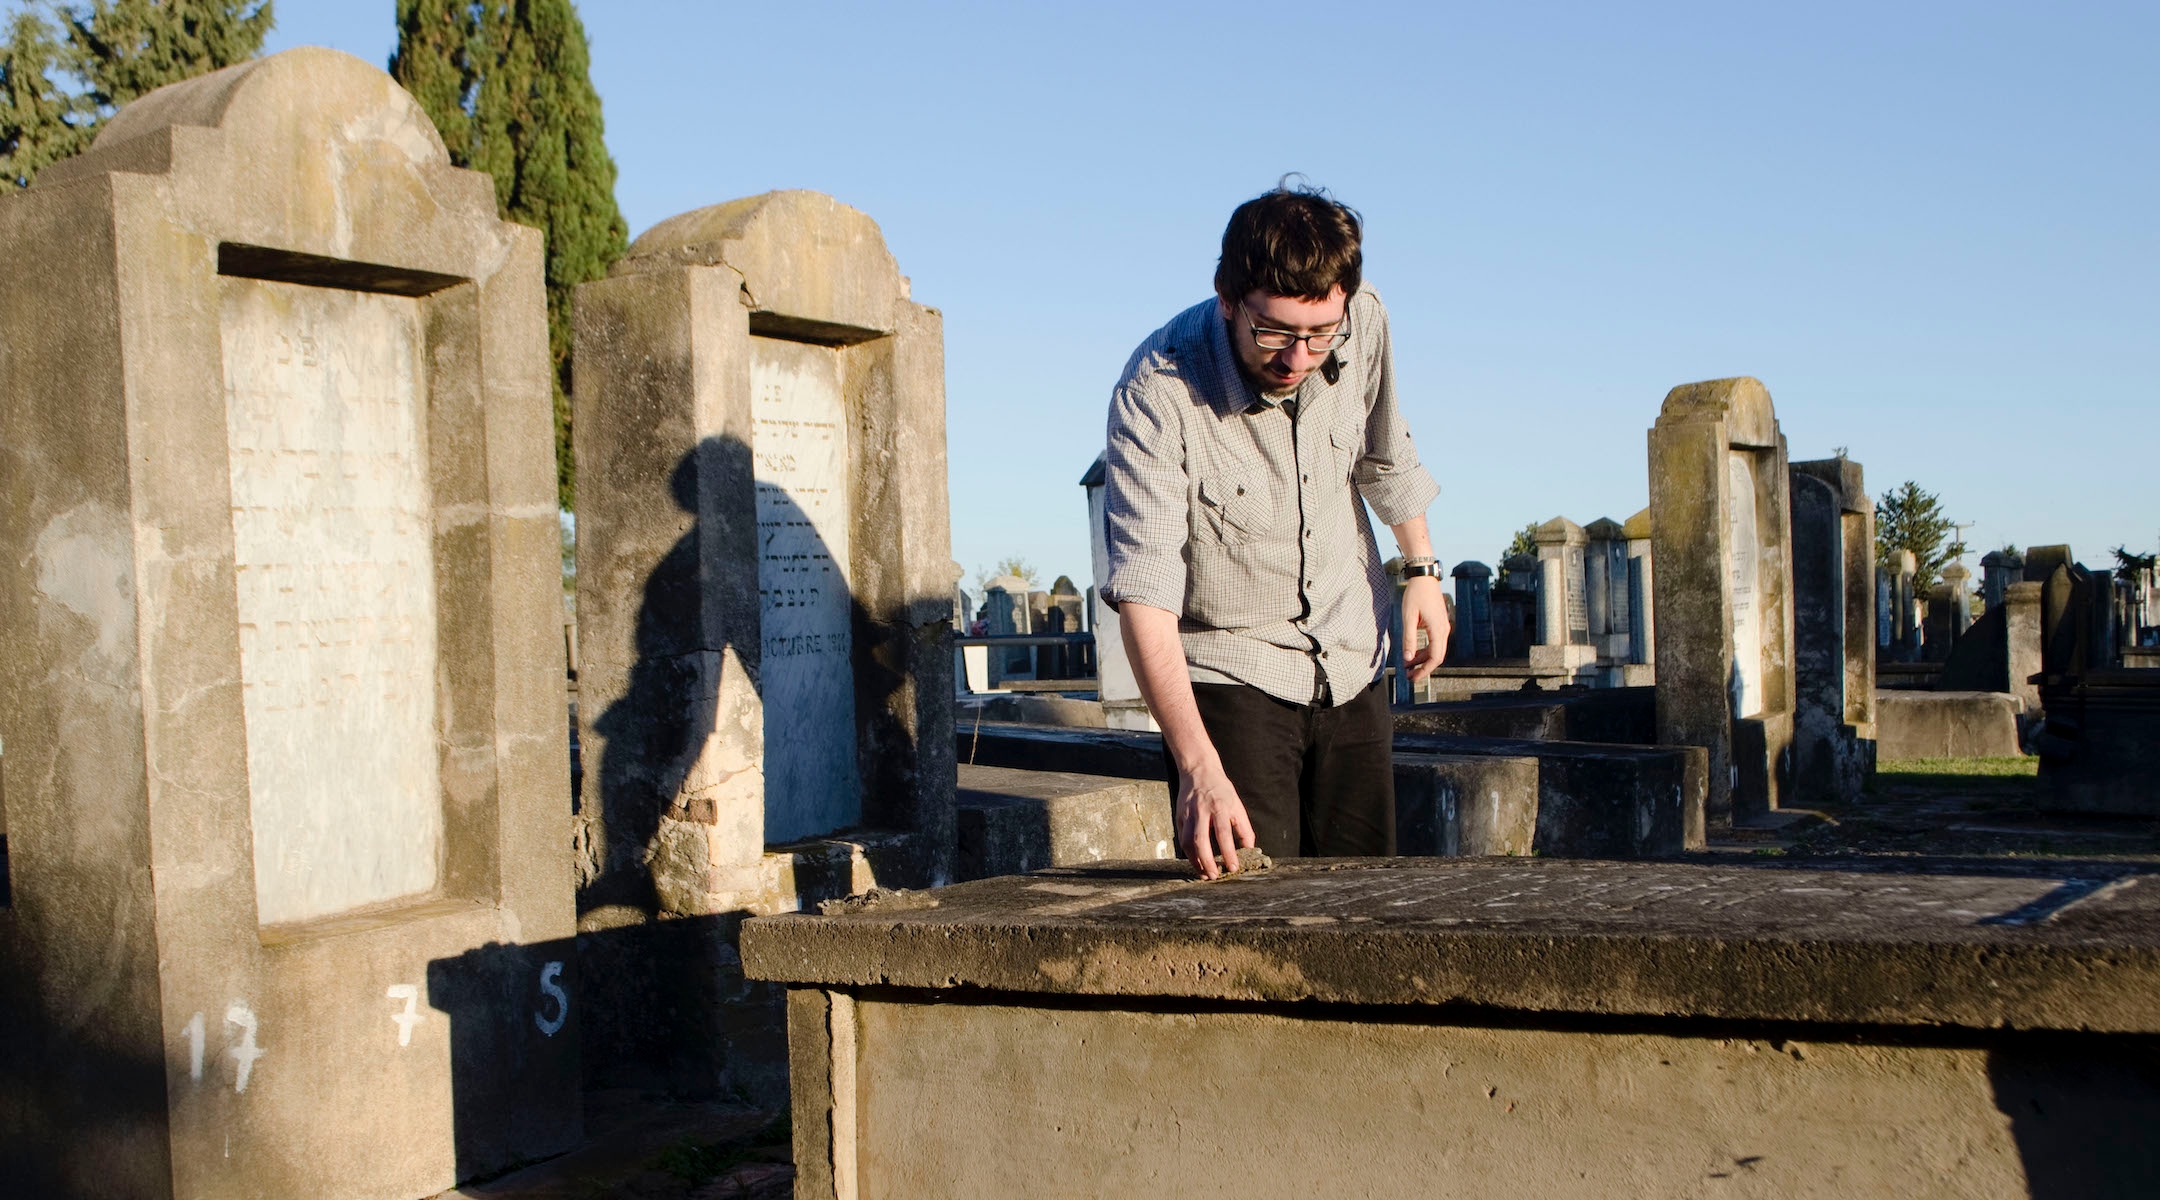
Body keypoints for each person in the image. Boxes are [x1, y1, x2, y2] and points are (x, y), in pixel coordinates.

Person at [1101, 181, 1448, 879]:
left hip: (1352, 653)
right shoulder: (1157, 391)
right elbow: (1146, 594)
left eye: (1320, 336)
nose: (1298, 358)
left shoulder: (1364, 317)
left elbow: (1386, 451)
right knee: (1253, 921)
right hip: (1234, 673)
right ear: (1227, 297)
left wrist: (1421, 570)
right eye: (1274, 333)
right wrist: (1197, 766)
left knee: (1368, 909)